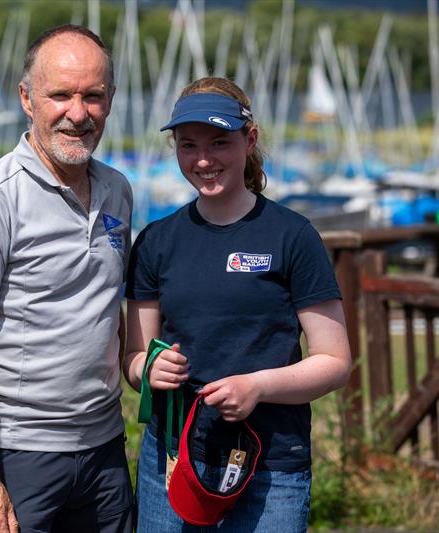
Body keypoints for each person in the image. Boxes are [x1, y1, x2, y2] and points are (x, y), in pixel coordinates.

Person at [123, 77, 351, 532]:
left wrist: (258, 387)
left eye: (219, 143)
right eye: (188, 145)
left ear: (249, 140)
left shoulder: (292, 236)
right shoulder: (155, 242)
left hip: (271, 466)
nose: (204, 160)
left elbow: (335, 362)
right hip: (174, 458)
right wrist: (147, 371)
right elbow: (133, 357)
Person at [0, 25, 134, 533]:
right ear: (26, 98)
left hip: (104, 448)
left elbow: (109, 310)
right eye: (60, 94)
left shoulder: (118, 190)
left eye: (92, 96)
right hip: (18, 455)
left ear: (110, 100)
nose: (77, 112)